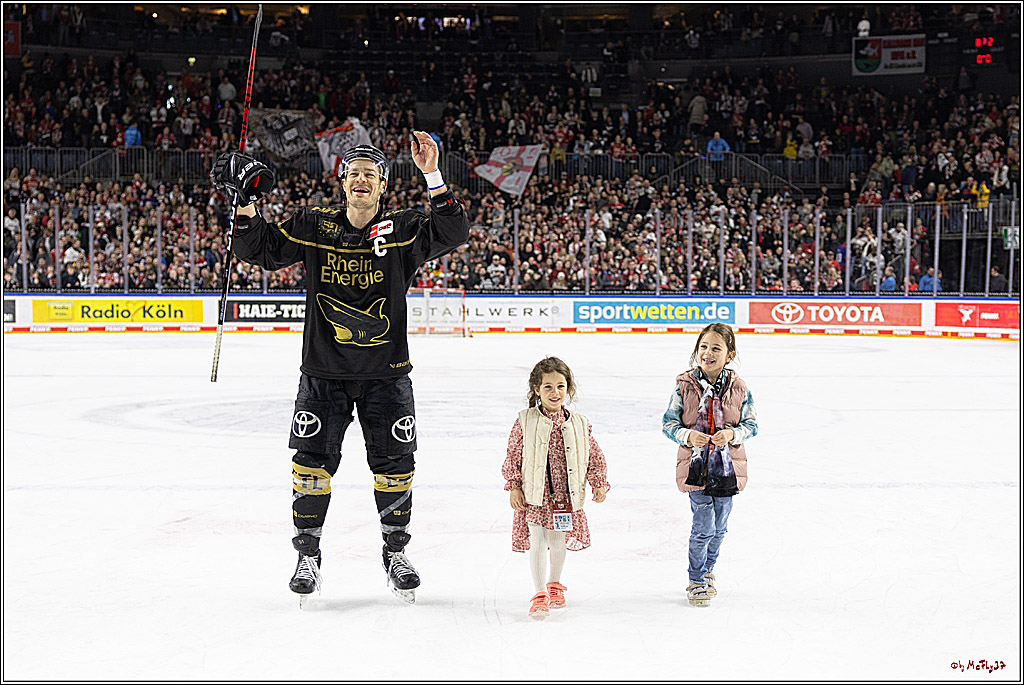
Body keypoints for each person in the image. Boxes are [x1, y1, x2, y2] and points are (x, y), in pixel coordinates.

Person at [210, 133, 470, 605]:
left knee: (395, 466)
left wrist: (432, 173)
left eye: (371, 174)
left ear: (384, 185)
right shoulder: (314, 224)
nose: (361, 180)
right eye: (354, 173)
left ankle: (396, 553)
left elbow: (453, 231)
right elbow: (259, 250)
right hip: (323, 374)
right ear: (341, 181)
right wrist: (244, 203)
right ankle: (307, 555)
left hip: (386, 374)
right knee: (310, 466)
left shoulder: (405, 227)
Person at [501, 357, 610, 619]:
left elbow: (593, 454)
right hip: (535, 494)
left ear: (568, 388)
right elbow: (513, 455)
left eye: (560, 386)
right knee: (538, 540)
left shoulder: (579, 422)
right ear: (536, 389)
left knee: (558, 541)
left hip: (565, 495)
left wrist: (598, 482)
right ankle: (539, 593)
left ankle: (554, 583)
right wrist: (514, 486)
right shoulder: (525, 420)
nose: (555, 393)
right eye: (548, 387)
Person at [661, 323, 758, 607]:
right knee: (703, 527)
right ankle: (697, 579)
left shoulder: (739, 388)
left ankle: (708, 569)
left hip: (728, 470)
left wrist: (732, 434)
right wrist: (688, 435)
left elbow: (751, 425)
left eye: (716, 348)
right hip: (696, 468)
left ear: (729, 354)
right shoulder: (684, 386)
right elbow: (669, 423)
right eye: (704, 347)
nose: (708, 353)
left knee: (720, 528)